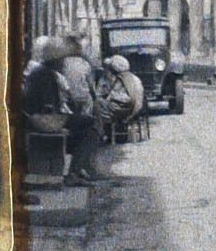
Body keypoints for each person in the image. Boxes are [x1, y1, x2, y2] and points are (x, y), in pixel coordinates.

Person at [56, 35, 104, 185]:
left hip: (67, 105)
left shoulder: (61, 64)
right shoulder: (84, 64)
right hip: (79, 104)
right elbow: (91, 88)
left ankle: (82, 167)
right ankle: (84, 167)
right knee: (94, 125)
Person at [21, 37, 67, 139]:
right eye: (63, 58)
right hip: (40, 121)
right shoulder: (46, 75)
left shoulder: (40, 72)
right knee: (89, 124)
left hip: (35, 118)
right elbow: (48, 106)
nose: (64, 63)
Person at [98, 53, 145, 135]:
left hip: (122, 111)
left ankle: (103, 133)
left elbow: (101, 95)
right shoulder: (135, 78)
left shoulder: (117, 81)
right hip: (134, 110)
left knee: (97, 106)